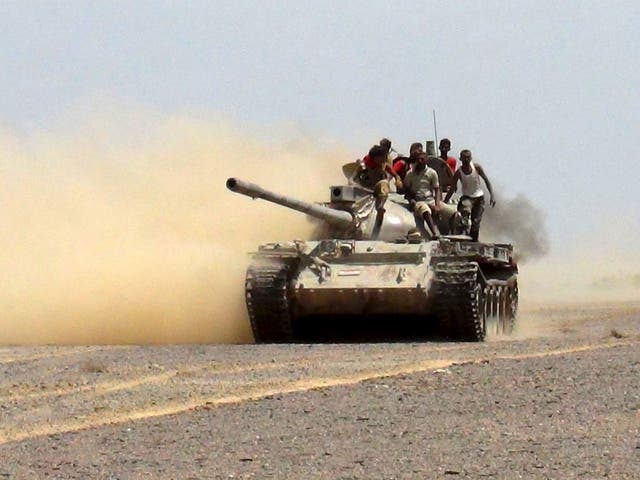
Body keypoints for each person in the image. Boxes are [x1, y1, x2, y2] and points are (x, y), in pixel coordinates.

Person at [444, 149, 495, 241]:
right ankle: (463, 234)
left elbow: (486, 180)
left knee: (476, 222)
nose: (467, 160)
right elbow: (452, 189)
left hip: (479, 198)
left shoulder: (477, 167)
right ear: (461, 159)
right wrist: (444, 202)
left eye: (468, 158)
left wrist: (492, 195)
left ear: (471, 158)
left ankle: (473, 240)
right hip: (467, 198)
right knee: (464, 213)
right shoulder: (459, 173)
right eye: (464, 158)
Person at [403, 153, 442, 238]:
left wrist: (437, 205)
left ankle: (455, 236)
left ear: (426, 160)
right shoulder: (410, 173)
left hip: (430, 199)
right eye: (418, 159)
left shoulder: (432, 172)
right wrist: (410, 200)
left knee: (451, 213)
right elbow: (405, 189)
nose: (420, 161)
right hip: (418, 200)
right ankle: (434, 234)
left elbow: (437, 189)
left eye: (422, 159)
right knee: (425, 210)